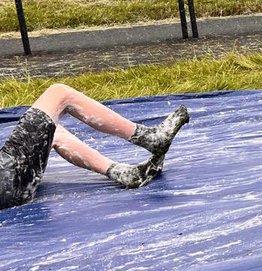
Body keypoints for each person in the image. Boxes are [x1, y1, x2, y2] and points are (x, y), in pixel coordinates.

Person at [0, 82, 190, 210]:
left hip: (8, 188)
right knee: (59, 94)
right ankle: (150, 138)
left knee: (51, 131)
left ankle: (121, 172)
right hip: (7, 179)